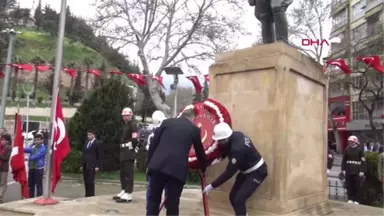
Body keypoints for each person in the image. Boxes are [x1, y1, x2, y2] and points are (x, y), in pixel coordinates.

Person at [146, 109, 207, 216]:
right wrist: (203, 167)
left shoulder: (166, 122)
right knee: (173, 204)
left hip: (158, 166)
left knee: (154, 200)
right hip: (177, 171)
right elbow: (200, 152)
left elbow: (153, 144)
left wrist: (149, 164)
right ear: (192, 118)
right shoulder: (194, 129)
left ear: (181, 115)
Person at [203, 122, 268, 216]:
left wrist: (212, 186)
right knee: (233, 196)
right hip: (245, 171)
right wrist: (220, 158)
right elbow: (226, 148)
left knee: (239, 200)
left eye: (219, 140)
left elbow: (229, 173)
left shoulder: (238, 149)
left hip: (257, 172)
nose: (218, 142)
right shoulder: (236, 135)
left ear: (225, 138)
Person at [113, 107, 138, 203]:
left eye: (127, 115)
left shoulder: (133, 125)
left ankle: (128, 193)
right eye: (124, 116)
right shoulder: (124, 125)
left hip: (129, 151)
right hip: (123, 150)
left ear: (131, 115)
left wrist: (131, 148)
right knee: (122, 173)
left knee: (128, 173)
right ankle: (123, 190)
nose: (125, 117)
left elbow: (135, 139)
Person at [145, 110, 168, 210]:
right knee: (166, 186)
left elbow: (150, 151)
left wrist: (148, 165)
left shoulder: (153, 135)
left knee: (152, 188)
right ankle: (167, 203)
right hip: (165, 165)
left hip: (155, 165)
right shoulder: (166, 134)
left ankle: (150, 205)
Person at [341, 135, 366, 205]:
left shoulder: (359, 150)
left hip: (357, 170)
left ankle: (357, 199)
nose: (350, 142)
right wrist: (343, 169)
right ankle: (350, 198)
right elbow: (344, 160)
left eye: (352, 141)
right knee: (349, 185)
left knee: (357, 185)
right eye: (349, 141)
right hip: (349, 169)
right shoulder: (347, 149)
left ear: (355, 142)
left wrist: (362, 170)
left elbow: (363, 161)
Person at [81, 129, 103, 197]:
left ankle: (91, 195)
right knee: (86, 181)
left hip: (92, 165)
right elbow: (83, 154)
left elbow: (100, 155)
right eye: (88, 134)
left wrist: (97, 165)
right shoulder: (86, 142)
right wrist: (81, 164)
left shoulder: (98, 143)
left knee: (90, 181)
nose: (88, 136)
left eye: (90, 134)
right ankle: (87, 194)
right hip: (85, 164)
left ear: (94, 135)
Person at [24, 133, 47, 198]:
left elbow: (38, 155)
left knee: (38, 185)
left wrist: (28, 158)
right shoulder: (33, 147)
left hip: (38, 169)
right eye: (35, 140)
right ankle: (31, 198)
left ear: (42, 140)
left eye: (38, 140)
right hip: (31, 168)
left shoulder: (43, 148)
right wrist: (20, 147)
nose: (36, 141)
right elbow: (27, 149)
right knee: (31, 185)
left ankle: (39, 198)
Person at [0, 134, 11, 203]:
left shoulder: (9, 148)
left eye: (4, 140)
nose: (2, 141)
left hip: (4, 168)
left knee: (3, 183)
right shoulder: (0, 147)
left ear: (8, 141)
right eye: (1, 139)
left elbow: (6, 158)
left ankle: (0, 198)